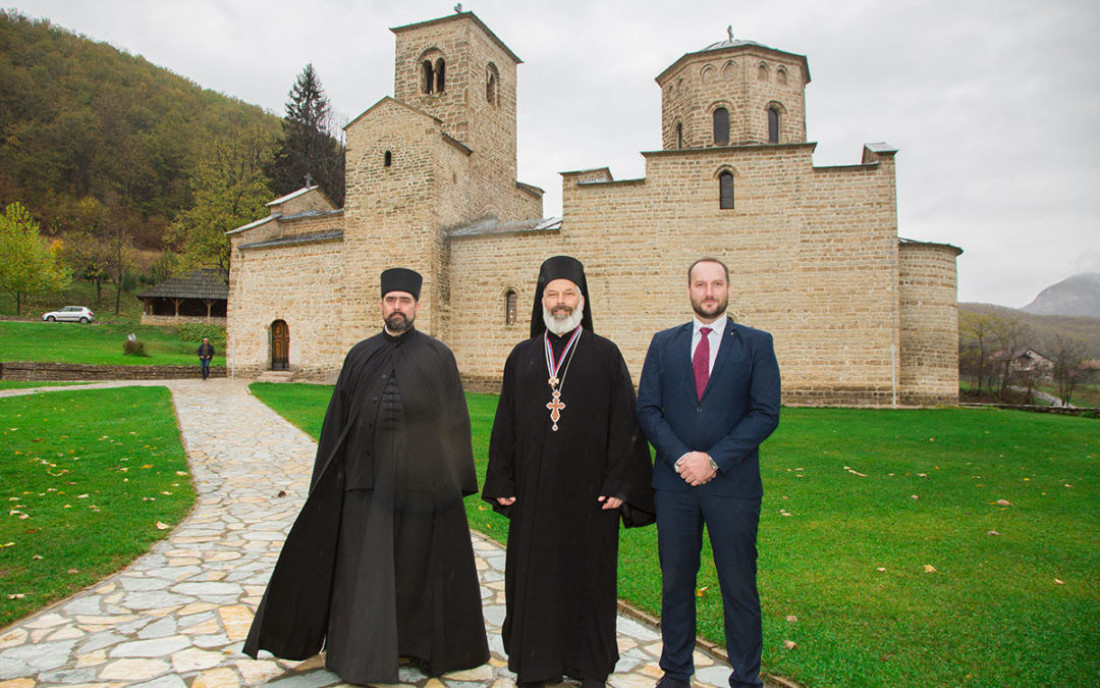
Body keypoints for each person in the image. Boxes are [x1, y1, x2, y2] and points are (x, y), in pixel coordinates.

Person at [244, 268, 489, 685]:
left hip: (421, 488)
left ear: (416, 306)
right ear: (381, 304)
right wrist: (326, 479)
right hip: (364, 483)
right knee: (363, 571)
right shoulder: (359, 355)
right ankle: (358, 650)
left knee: (417, 569)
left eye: (405, 301)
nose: (398, 308)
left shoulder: (438, 355)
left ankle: (416, 646)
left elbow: (454, 421)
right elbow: (337, 420)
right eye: (391, 300)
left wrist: (455, 480)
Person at [483, 255, 655, 688]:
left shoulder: (606, 355)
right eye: (552, 295)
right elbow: (505, 422)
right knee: (533, 580)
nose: (560, 303)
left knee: (589, 581)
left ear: (582, 299)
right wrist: (501, 478)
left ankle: (588, 665)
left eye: (568, 294)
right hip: (534, 495)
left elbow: (625, 424)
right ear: (542, 302)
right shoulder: (521, 356)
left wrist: (620, 482)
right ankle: (536, 664)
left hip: (590, 499)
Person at [636, 258, 781, 688]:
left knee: (738, 585)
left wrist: (713, 460)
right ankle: (676, 672)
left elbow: (765, 413)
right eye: (701, 284)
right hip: (675, 485)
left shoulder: (756, 343)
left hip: (733, 487)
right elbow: (647, 409)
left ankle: (747, 677)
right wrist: (682, 457)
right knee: (676, 582)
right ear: (689, 291)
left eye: (717, 283)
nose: (709, 292)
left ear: (729, 289)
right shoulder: (664, 344)